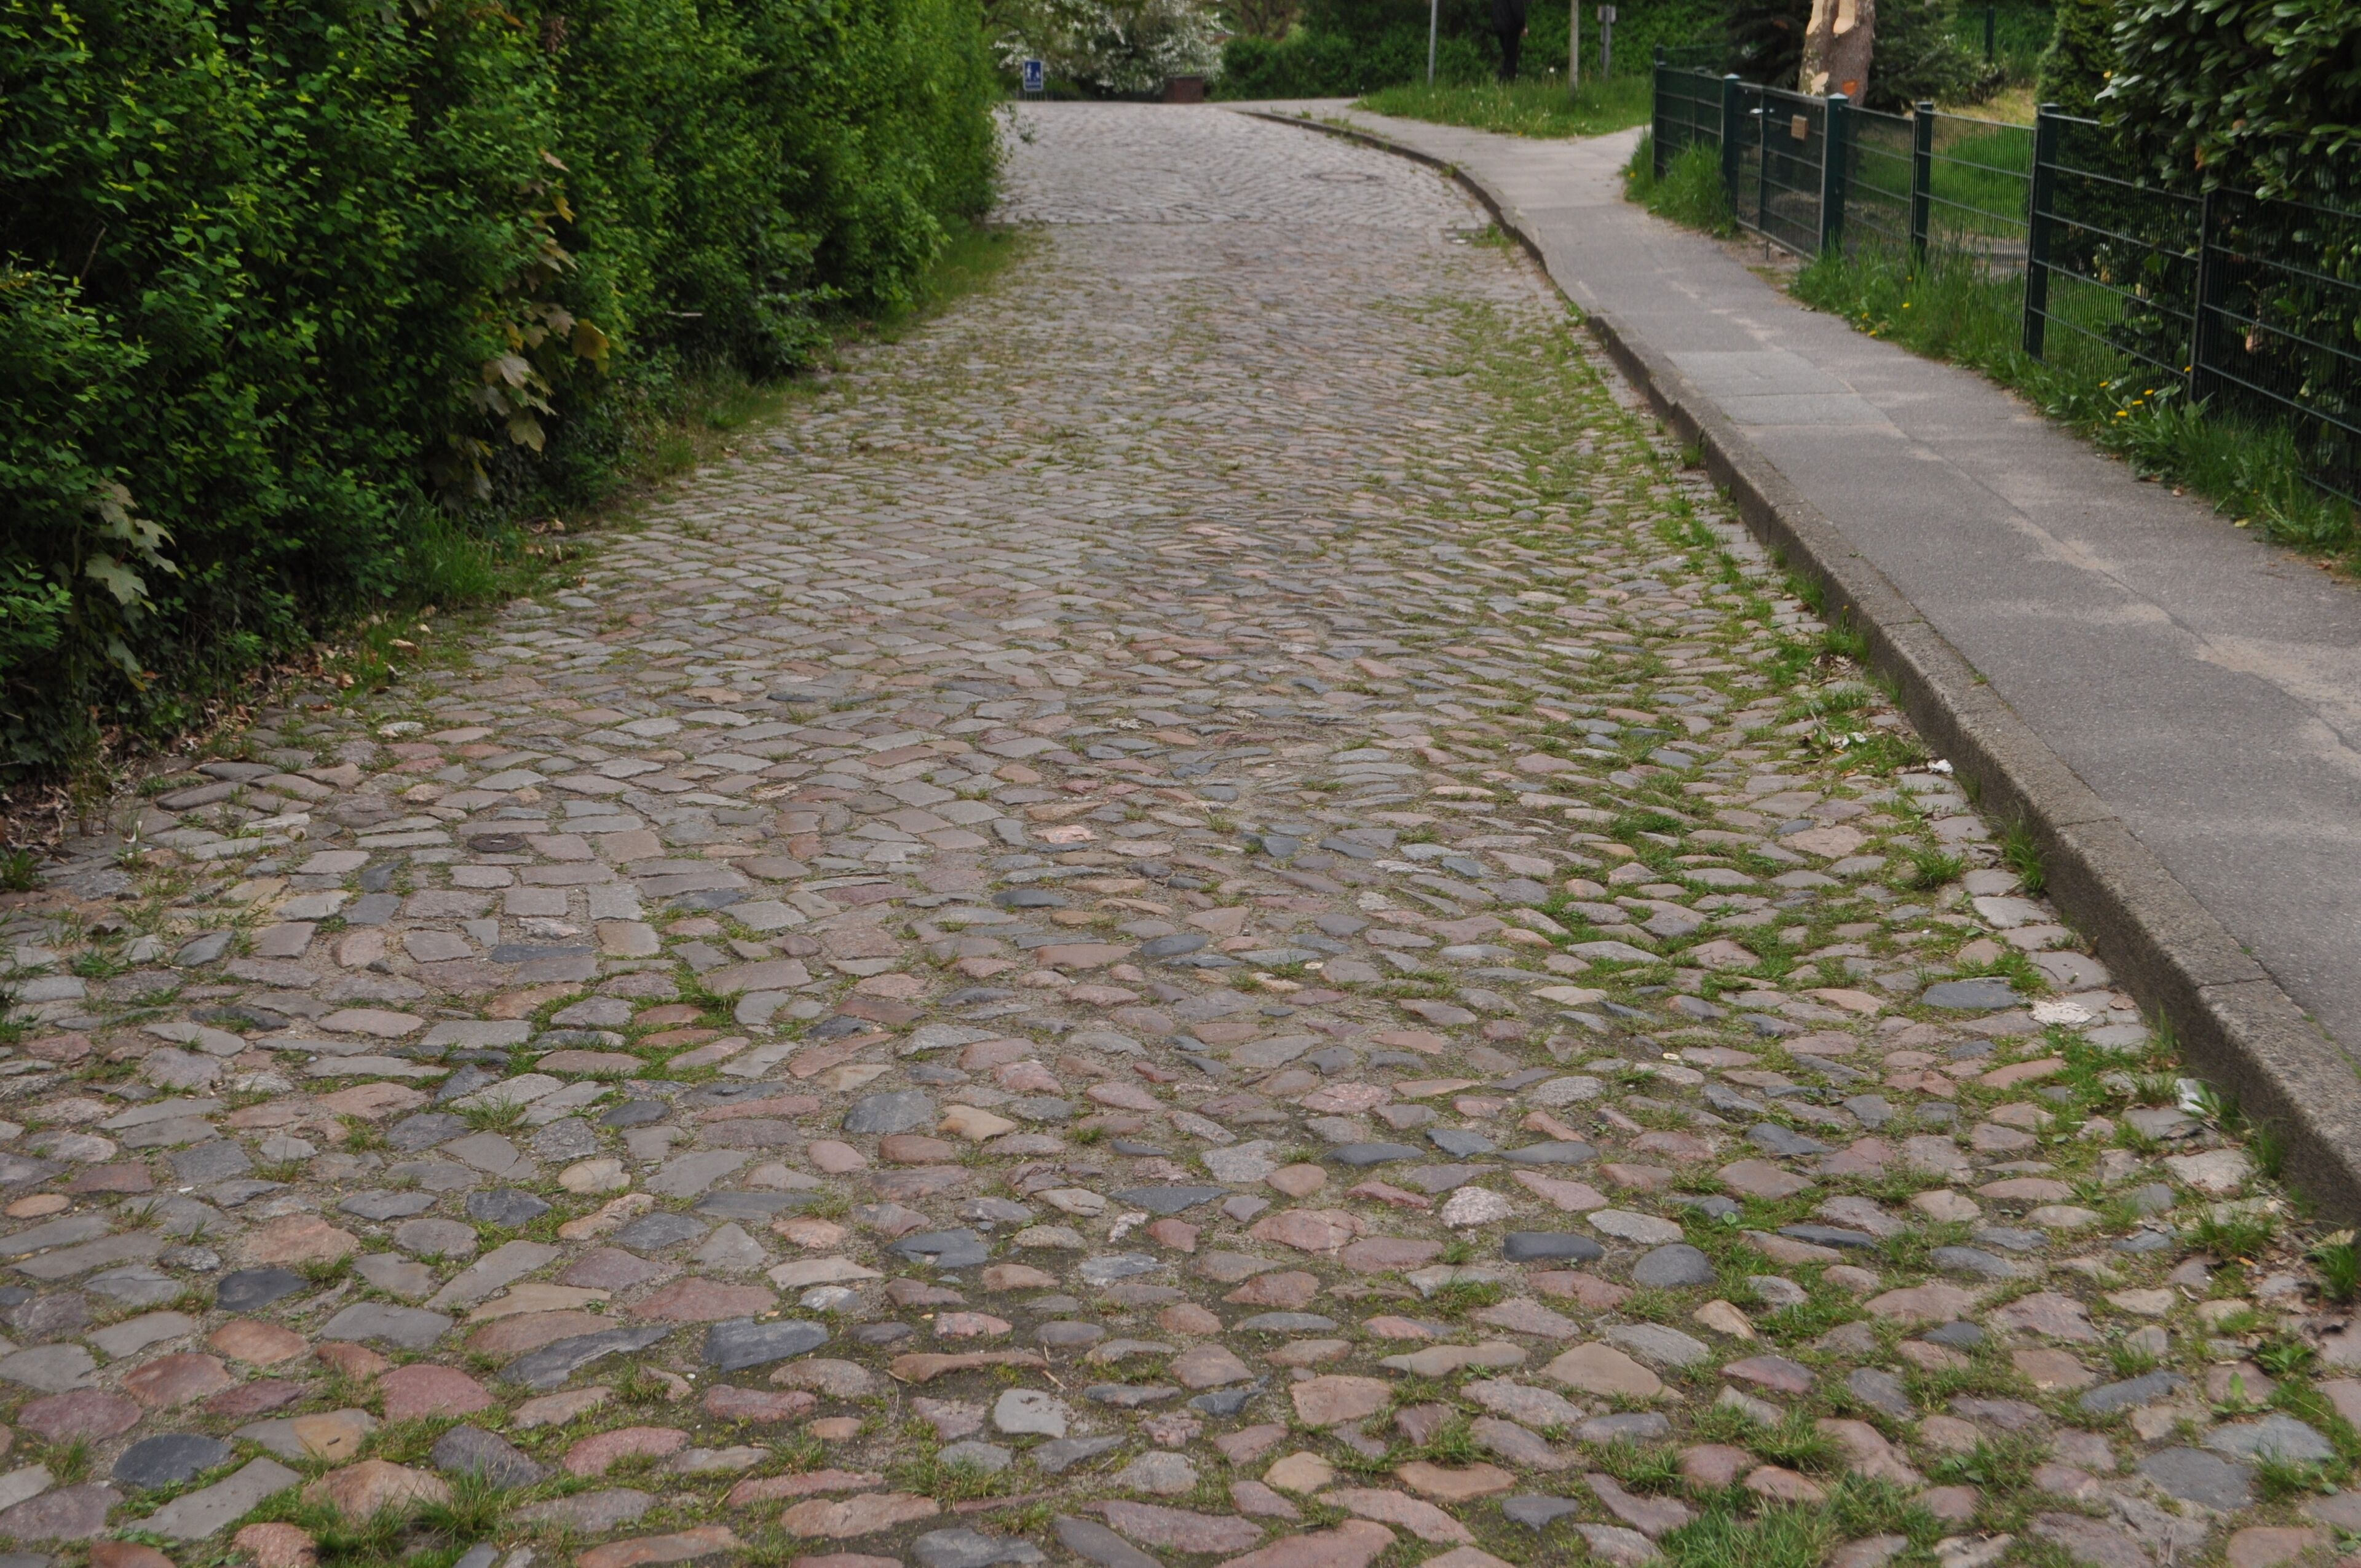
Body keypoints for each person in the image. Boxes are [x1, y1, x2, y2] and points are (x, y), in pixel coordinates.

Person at [1493, 0, 1529, 79]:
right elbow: (1518, 10)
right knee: (1511, 57)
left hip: (1499, 25)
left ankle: (1504, 78)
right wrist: (1522, 26)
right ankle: (1508, 80)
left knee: (1507, 55)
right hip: (1511, 26)